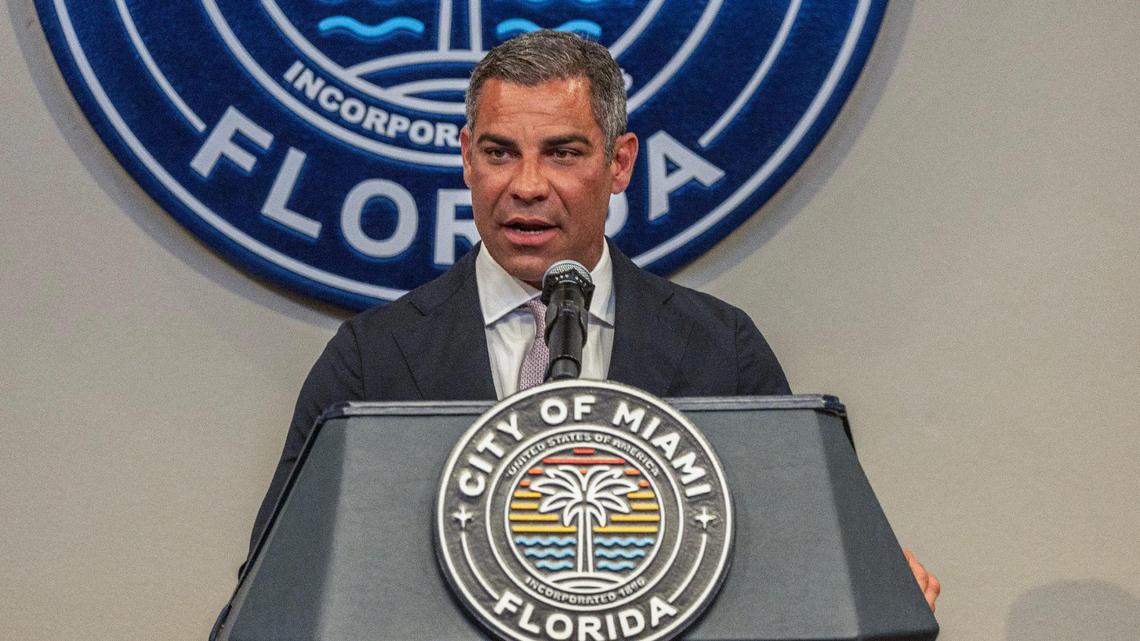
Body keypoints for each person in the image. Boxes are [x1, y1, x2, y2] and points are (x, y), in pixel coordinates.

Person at [243, 29, 939, 612]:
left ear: (619, 163)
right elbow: (267, 599)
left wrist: (876, 591)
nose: (526, 186)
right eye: (499, 152)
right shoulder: (374, 360)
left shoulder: (720, 349)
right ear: (465, 159)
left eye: (563, 153)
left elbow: (803, 579)